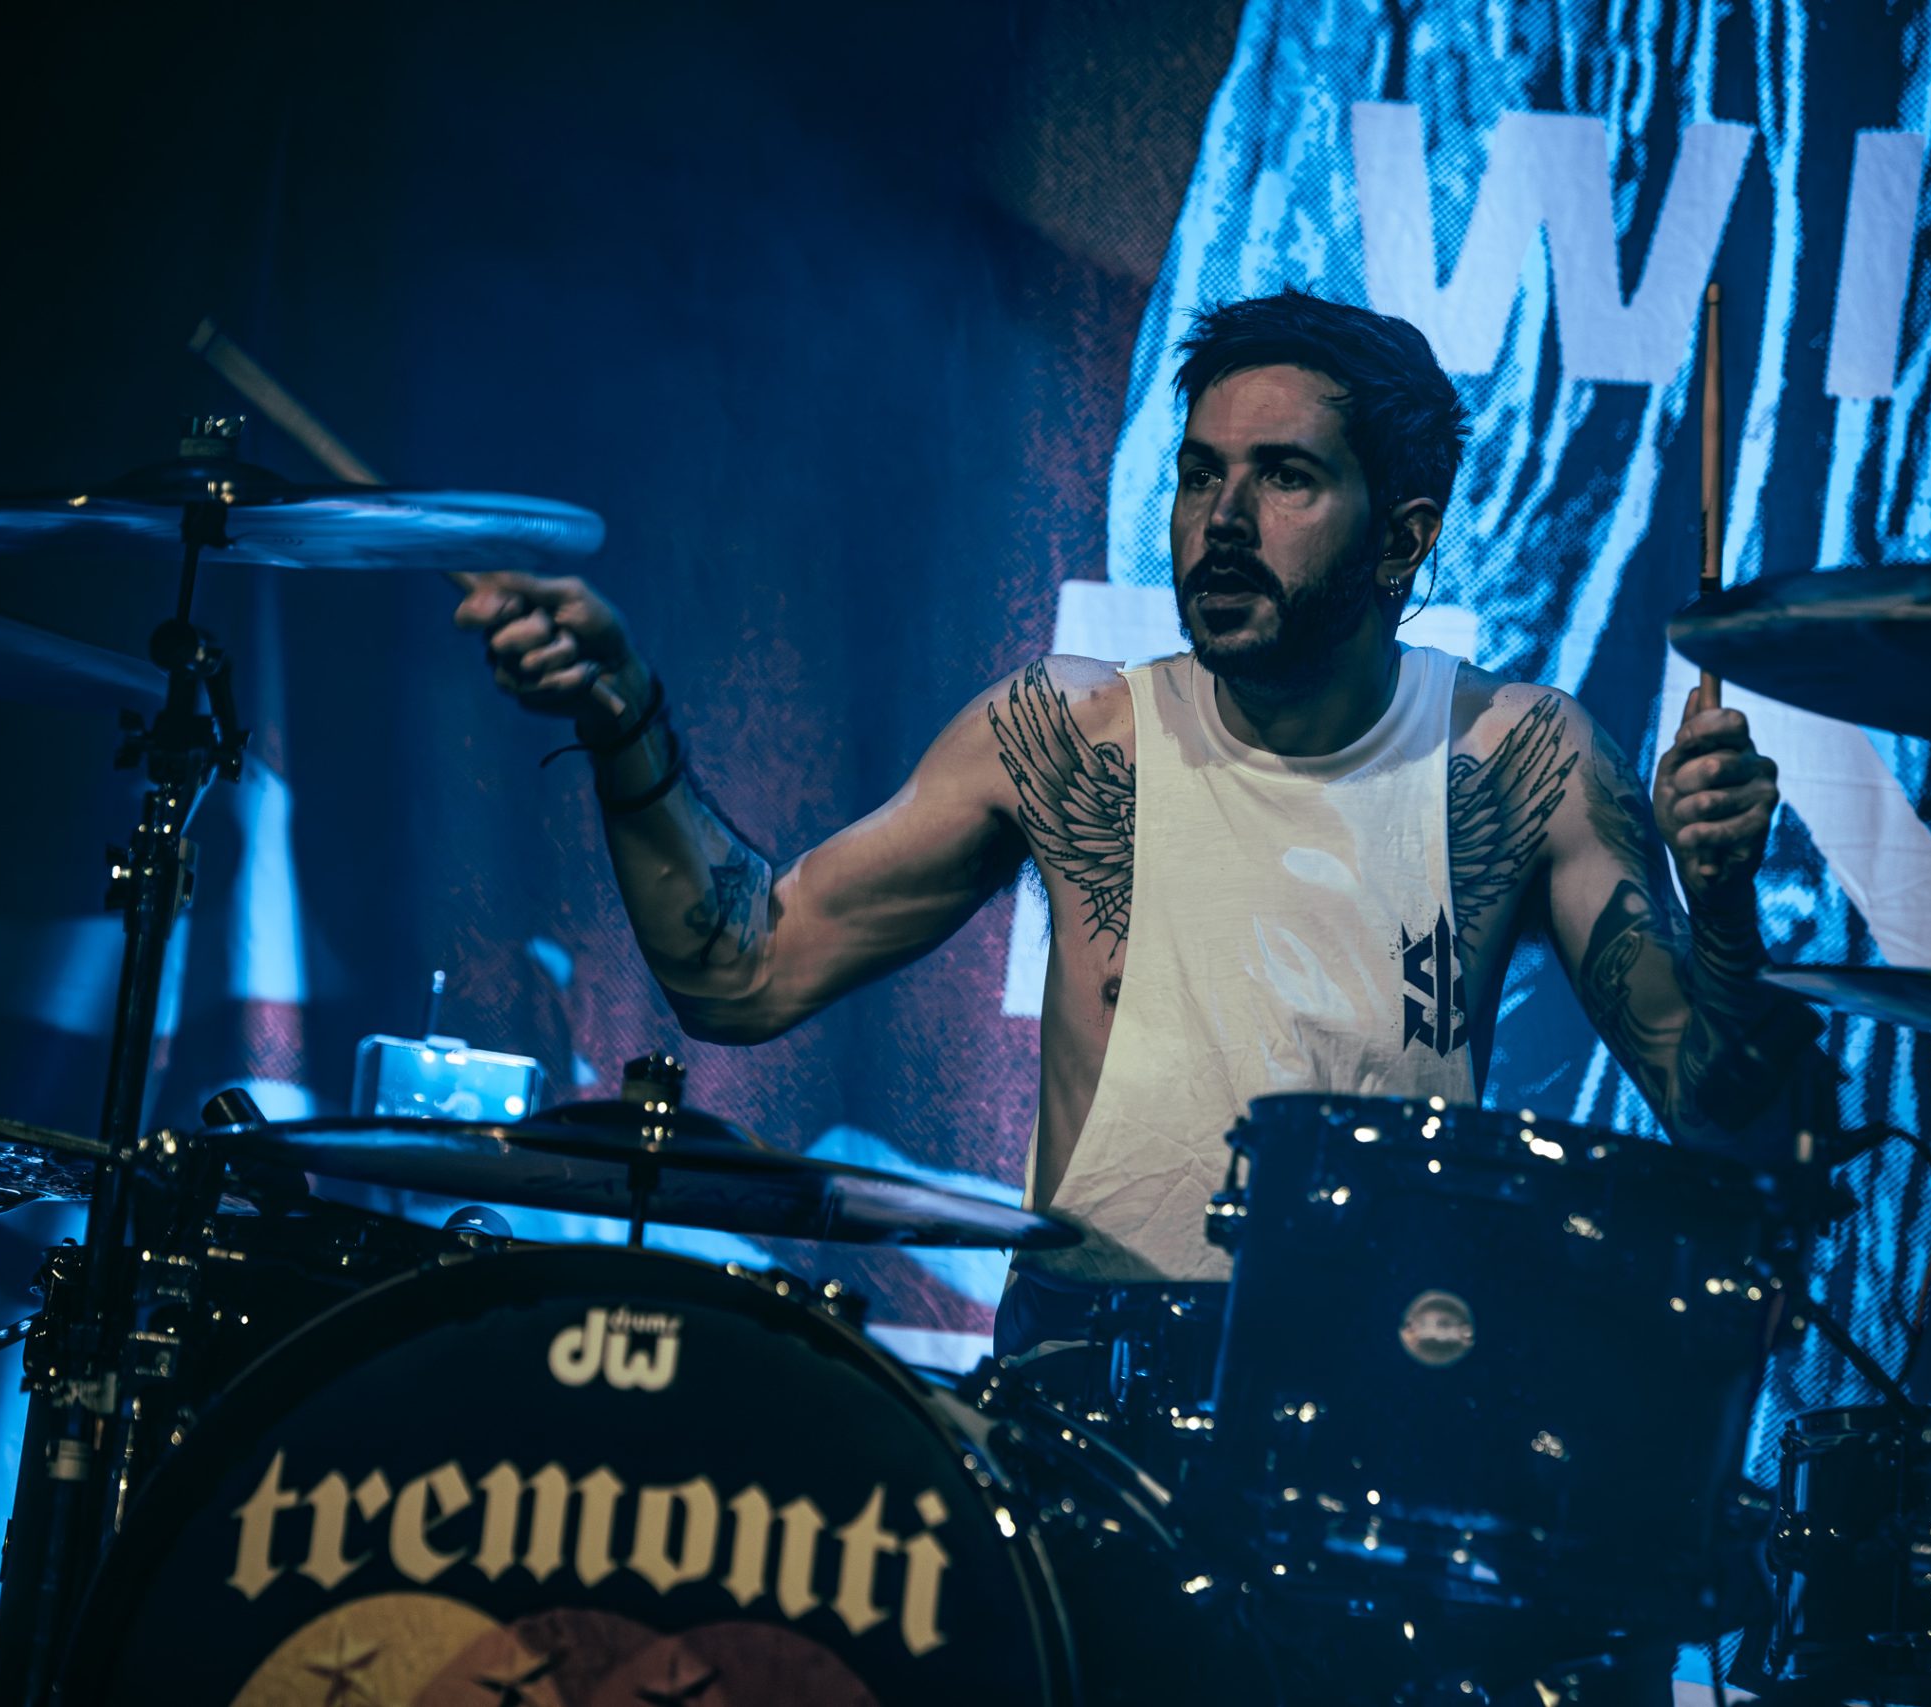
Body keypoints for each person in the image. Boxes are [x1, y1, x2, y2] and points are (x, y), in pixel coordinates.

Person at [455, 289, 1816, 1357]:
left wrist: (1726, 910)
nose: (1223, 521)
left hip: (1367, 1396)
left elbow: (1727, 1124)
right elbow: (741, 974)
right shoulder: (1067, 735)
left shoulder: (1519, 758)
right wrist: (626, 725)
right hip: (1080, 1387)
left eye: (1285, 478)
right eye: (1200, 474)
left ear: (1403, 539)